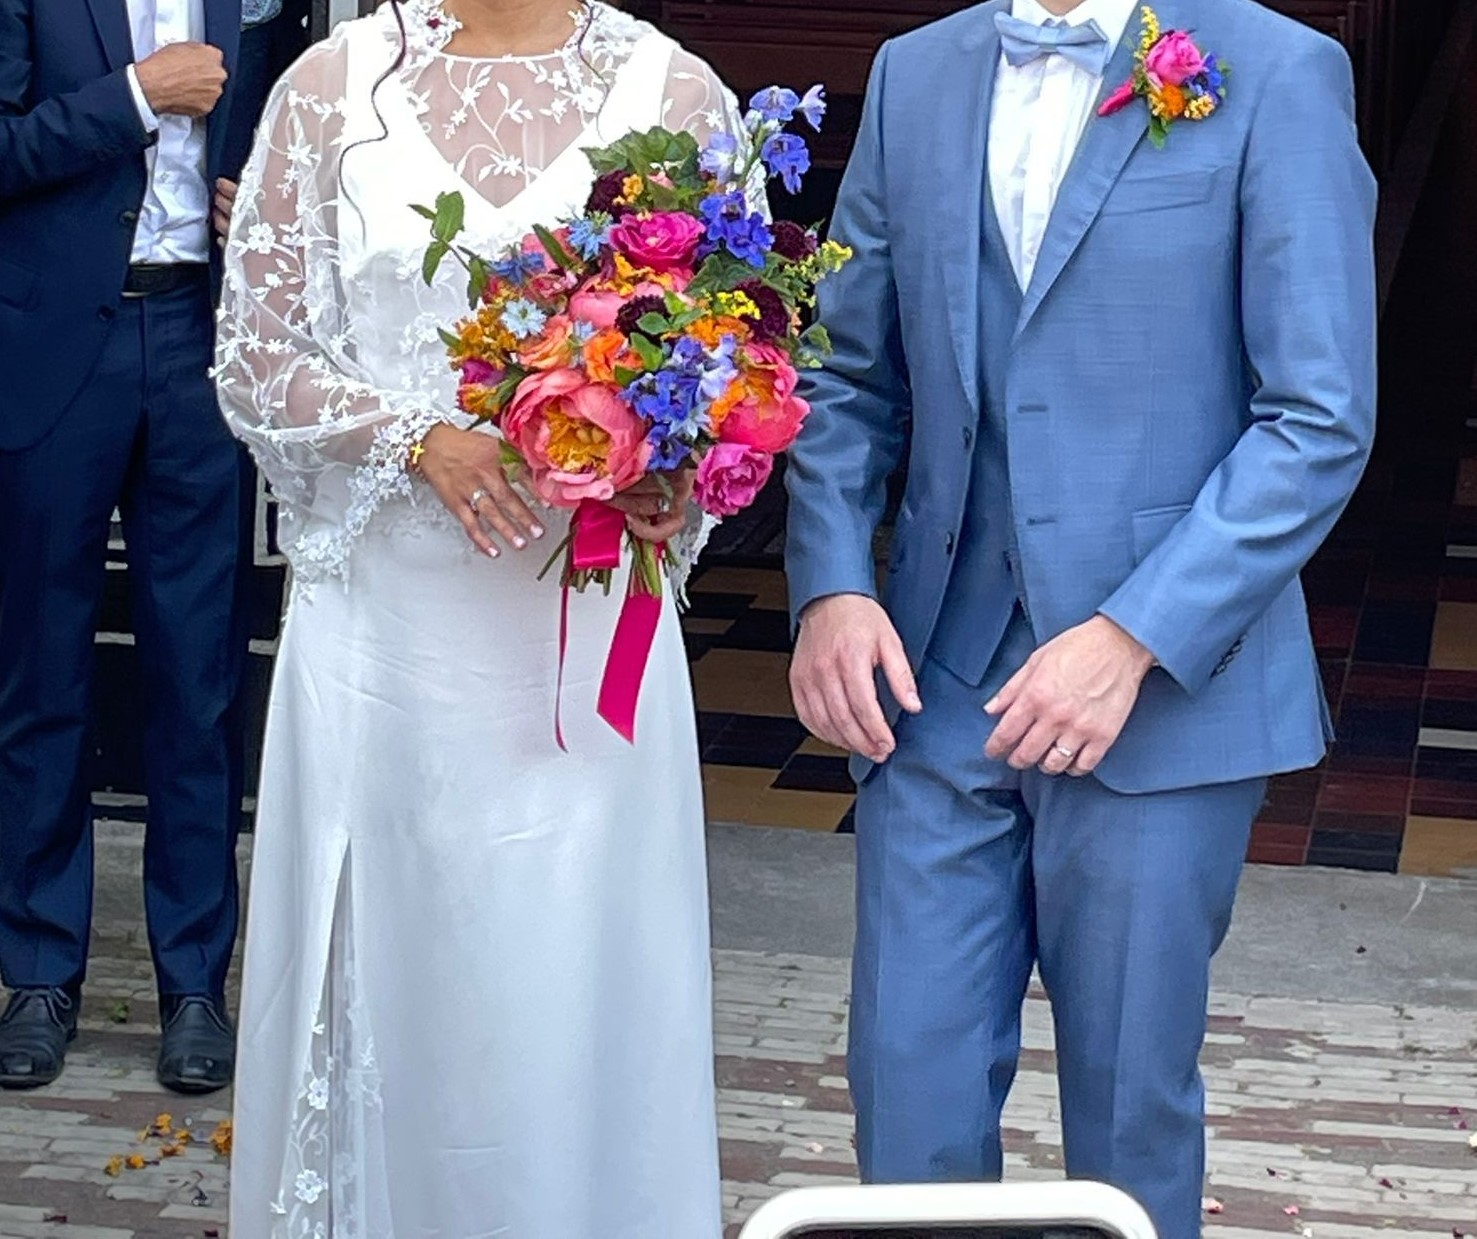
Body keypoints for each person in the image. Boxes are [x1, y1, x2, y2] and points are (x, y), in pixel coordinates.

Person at [784, 0, 1377, 1236]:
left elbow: (1316, 416)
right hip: (932, 683)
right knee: (905, 1095)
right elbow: (846, 377)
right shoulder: (912, 72)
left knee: (1126, 1118)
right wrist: (833, 585)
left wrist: (1134, 636)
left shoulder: (1276, 69)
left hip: (1162, 701)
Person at [213, 1, 743, 1232]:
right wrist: (414, 439)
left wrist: (671, 475)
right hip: (387, 636)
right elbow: (255, 355)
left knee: (568, 965)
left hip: (579, 630)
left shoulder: (676, 97)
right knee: (403, 969)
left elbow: (724, 363)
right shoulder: (331, 86)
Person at [0, 0, 252, 1094]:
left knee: (195, 682)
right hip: (56, 344)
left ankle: (194, 983)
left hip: (206, 344)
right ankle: (38, 974)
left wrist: (270, 209)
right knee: (40, 675)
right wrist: (138, 100)